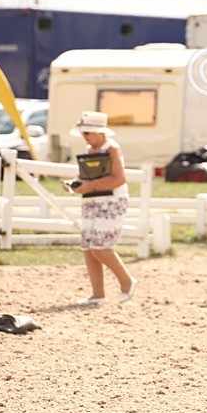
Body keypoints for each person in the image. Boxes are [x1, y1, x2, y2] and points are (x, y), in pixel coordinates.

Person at [63, 111, 137, 304]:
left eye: (87, 132)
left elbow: (119, 178)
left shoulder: (112, 149)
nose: (84, 136)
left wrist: (91, 186)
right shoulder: (89, 150)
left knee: (101, 247)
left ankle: (127, 282)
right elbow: (87, 177)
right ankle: (98, 294)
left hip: (111, 201)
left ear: (99, 132)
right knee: (89, 247)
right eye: (83, 132)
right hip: (91, 201)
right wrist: (74, 184)